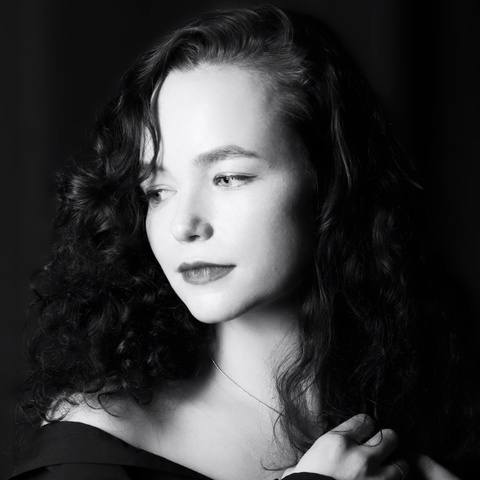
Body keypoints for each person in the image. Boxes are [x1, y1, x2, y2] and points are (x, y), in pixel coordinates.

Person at [9, 5, 477, 480]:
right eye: (158, 191)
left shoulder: (441, 408)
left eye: (228, 177)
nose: (183, 225)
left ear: (329, 181)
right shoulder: (93, 446)